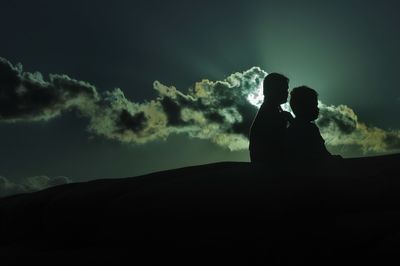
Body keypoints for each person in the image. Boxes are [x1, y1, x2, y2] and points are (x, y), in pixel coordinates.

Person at [286, 86, 340, 171]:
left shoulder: (292, 128)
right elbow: (322, 156)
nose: (317, 109)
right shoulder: (309, 129)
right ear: (305, 107)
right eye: (314, 105)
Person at [249, 73, 293, 165]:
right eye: (285, 89)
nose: (287, 93)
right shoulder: (271, 113)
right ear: (274, 90)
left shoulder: (272, 110)